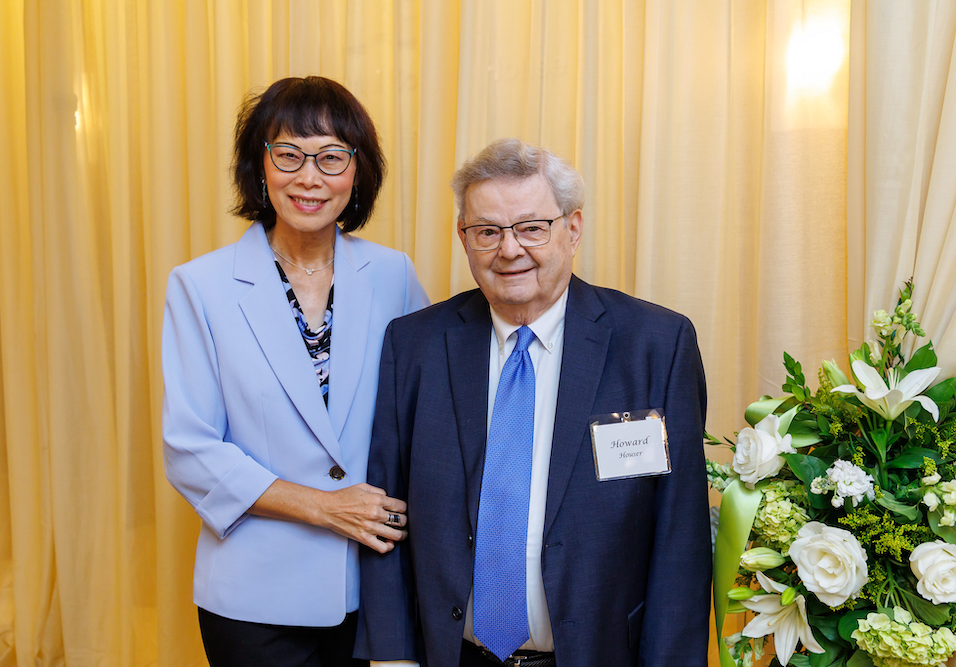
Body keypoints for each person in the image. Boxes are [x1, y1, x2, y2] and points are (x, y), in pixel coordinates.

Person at [355, 138, 711, 667]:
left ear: (573, 229)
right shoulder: (416, 346)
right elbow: (384, 515)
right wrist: (392, 656)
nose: (509, 249)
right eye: (487, 232)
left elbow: (679, 537)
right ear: (463, 237)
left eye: (531, 227)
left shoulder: (655, 345)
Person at [162, 76, 429, 667]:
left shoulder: (394, 275)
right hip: (255, 596)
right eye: (289, 155)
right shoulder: (200, 286)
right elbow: (191, 448)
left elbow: (427, 415)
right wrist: (325, 506)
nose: (310, 177)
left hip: (379, 587)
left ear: (357, 173)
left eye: (332, 157)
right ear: (260, 166)